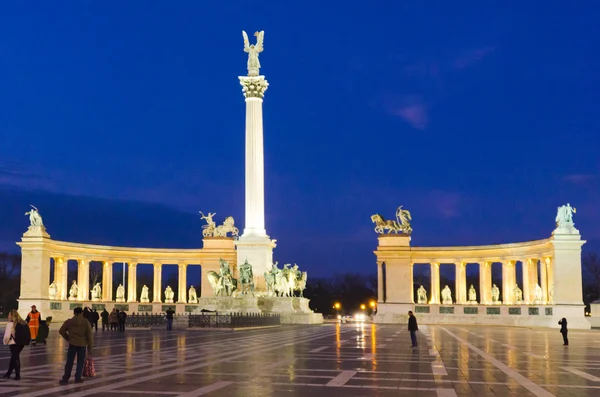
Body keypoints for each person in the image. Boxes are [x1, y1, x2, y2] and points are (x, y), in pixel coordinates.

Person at [58, 307, 94, 385]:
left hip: (72, 343)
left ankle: (65, 378)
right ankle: (78, 378)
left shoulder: (69, 321)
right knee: (80, 362)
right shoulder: (86, 322)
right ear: (81, 313)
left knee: (69, 362)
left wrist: (68, 338)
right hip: (82, 344)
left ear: (74, 313)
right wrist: (90, 348)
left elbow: (61, 331)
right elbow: (90, 336)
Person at [3, 309, 29, 380]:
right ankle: (8, 373)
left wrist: (5, 342)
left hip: (13, 343)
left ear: (12, 316)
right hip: (21, 343)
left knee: (15, 358)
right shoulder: (23, 323)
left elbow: (7, 336)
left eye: (9, 315)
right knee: (14, 358)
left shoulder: (10, 324)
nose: (8, 316)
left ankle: (17, 375)